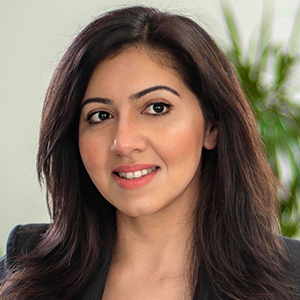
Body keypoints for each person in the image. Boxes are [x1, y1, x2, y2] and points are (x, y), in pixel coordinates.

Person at [0, 5, 299, 300]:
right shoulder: (25, 269)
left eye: (157, 108)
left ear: (211, 126)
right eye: (100, 115)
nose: (124, 142)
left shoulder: (291, 279)